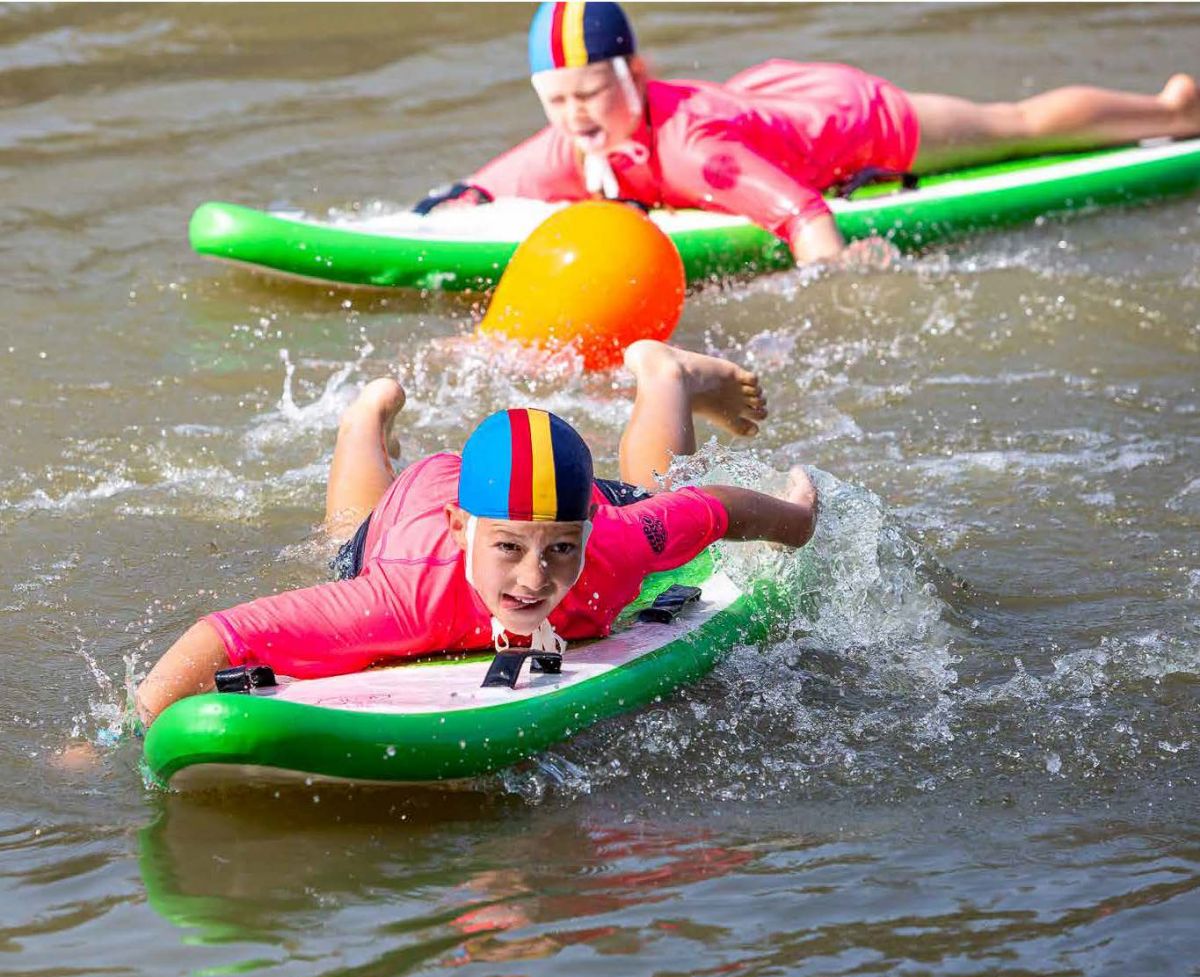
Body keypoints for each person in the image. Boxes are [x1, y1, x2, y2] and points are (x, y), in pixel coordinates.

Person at [135, 340, 817, 726]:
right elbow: (222, 635)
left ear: (586, 531)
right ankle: (365, 419)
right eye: (510, 553)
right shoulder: (400, 595)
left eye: (559, 552)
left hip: (539, 498)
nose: (534, 578)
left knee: (662, 492)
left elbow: (718, 507)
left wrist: (800, 523)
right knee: (341, 538)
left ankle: (664, 374)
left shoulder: (613, 545)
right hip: (411, 518)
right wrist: (137, 729)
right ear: (464, 531)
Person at [455, 1, 1200, 266]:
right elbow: (515, 171)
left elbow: (805, 216)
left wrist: (834, 286)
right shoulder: (582, 132)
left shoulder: (694, 152)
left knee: (1015, 127)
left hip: (851, 121)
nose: (574, 116)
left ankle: (1172, 110)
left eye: (589, 93)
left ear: (637, 75)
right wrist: (462, 198)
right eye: (555, 101)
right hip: (764, 99)